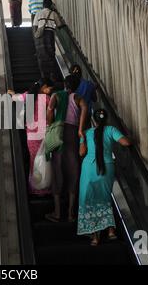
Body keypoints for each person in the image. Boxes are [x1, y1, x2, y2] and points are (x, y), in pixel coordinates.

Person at [77, 109, 131, 245]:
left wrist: (82, 140)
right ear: (106, 119)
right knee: (104, 198)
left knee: (88, 199)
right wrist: (133, 139)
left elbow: (81, 153)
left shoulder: (88, 132)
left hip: (89, 168)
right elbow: (126, 143)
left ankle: (95, 237)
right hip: (106, 168)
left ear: (94, 120)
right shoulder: (111, 129)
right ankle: (111, 230)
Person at [45, 75, 88, 223]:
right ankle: (70, 213)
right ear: (77, 86)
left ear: (64, 84)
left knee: (58, 171)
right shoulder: (79, 98)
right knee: (74, 171)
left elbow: (49, 115)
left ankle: (57, 213)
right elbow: (85, 109)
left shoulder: (56, 95)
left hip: (59, 135)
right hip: (73, 136)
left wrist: (50, 124)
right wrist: (81, 130)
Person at [8, 78, 54, 195]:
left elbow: (15, 98)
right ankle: (45, 187)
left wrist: (12, 93)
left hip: (31, 137)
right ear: (44, 87)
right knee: (44, 161)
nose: (49, 91)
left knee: (34, 161)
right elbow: (51, 116)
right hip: (44, 135)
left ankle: (34, 188)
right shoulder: (48, 99)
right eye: (49, 88)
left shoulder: (28, 96)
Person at [33, 0, 66, 82]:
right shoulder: (53, 13)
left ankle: (44, 77)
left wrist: (36, 37)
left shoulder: (38, 13)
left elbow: (34, 26)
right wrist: (64, 25)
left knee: (41, 55)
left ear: (43, 5)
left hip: (40, 36)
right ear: (50, 5)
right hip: (49, 34)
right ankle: (52, 76)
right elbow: (59, 25)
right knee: (50, 54)